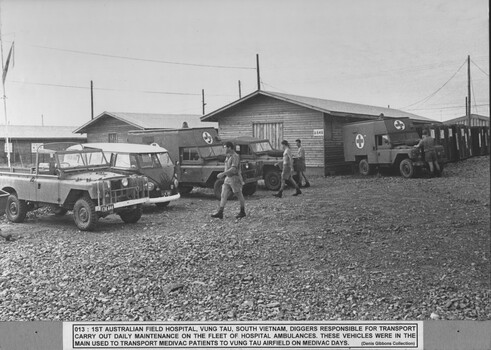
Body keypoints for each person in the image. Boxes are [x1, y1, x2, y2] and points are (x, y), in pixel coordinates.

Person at [211, 141, 246, 219]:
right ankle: (220, 212)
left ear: (230, 147)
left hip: (235, 178)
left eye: (225, 147)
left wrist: (223, 174)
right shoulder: (228, 156)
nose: (225, 149)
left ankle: (242, 211)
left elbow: (234, 169)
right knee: (223, 194)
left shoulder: (235, 156)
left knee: (238, 194)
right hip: (228, 178)